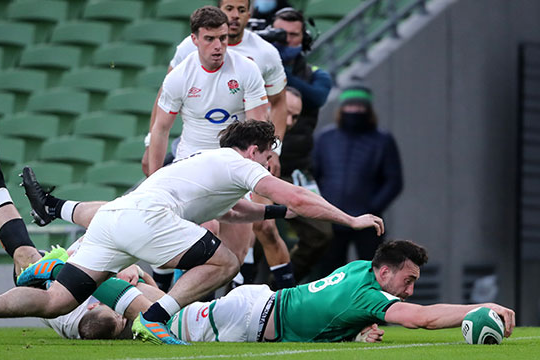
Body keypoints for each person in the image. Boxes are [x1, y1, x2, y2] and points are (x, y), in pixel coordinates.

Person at [0, 120, 383, 346]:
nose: (269, 164)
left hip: (115, 218)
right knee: (222, 261)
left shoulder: (213, 166)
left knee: (56, 300)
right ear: (256, 149)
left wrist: (284, 212)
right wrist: (352, 219)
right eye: (268, 156)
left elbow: (246, 211)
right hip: (146, 220)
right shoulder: (237, 162)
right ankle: (155, 316)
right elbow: (298, 197)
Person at [97, 240, 516, 343]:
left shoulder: (358, 269)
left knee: (156, 311)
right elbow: (422, 319)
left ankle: (107, 278)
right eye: (407, 281)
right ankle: (69, 271)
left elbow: (326, 310)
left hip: (258, 308)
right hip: (250, 319)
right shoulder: (369, 295)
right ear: (384, 272)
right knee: (143, 322)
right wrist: (479, 307)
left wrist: (352, 332)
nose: (409, 290)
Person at [146, 4, 294, 290]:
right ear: (194, 40)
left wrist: (256, 171)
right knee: (207, 229)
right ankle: (170, 299)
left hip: (234, 162)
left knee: (235, 256)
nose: (218, 46)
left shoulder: (248, 68)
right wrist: (154, 177)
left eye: (223, 39)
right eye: (210, 39)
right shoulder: (179, 75)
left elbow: (257, 129)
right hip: (192, 161)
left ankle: (213, 306)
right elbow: (160, 128)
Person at [254, 8, 334, 283]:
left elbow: (317, 96)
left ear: (305, 39)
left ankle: (276, 289)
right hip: (257, 168)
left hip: (295, 169)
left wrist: (282, 71)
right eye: (280, 34)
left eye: (293, 35)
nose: (286, 40)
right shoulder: (253, 68)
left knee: (320, 234)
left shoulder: (315, 75)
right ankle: (240, 299)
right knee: (252, 237)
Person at [313, 85, 403, 277]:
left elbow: (394, 181)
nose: (354, 111)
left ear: (368, 110)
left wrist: (371, 207)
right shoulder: (325, 138)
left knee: (373, 272)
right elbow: (313, 174)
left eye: (359, 107)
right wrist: (324, 205)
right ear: (341, 108)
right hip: (332, 217)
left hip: (369, 221)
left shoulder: (383, 140)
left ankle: (370, 307)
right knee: (330, 274)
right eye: (350, 106)